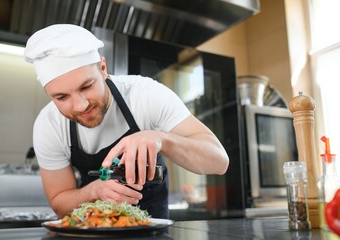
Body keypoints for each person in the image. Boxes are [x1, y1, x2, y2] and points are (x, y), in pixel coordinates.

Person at [24, 24, 229, 219]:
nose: (80, 106)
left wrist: (162, 140)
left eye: (86, 86)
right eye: (61, 97)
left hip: (153, 231)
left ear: (103, 68)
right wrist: (92, 191)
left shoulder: (146, 95)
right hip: (94, 233)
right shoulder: (48, 125)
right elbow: (60, 205)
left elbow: (219, 161)